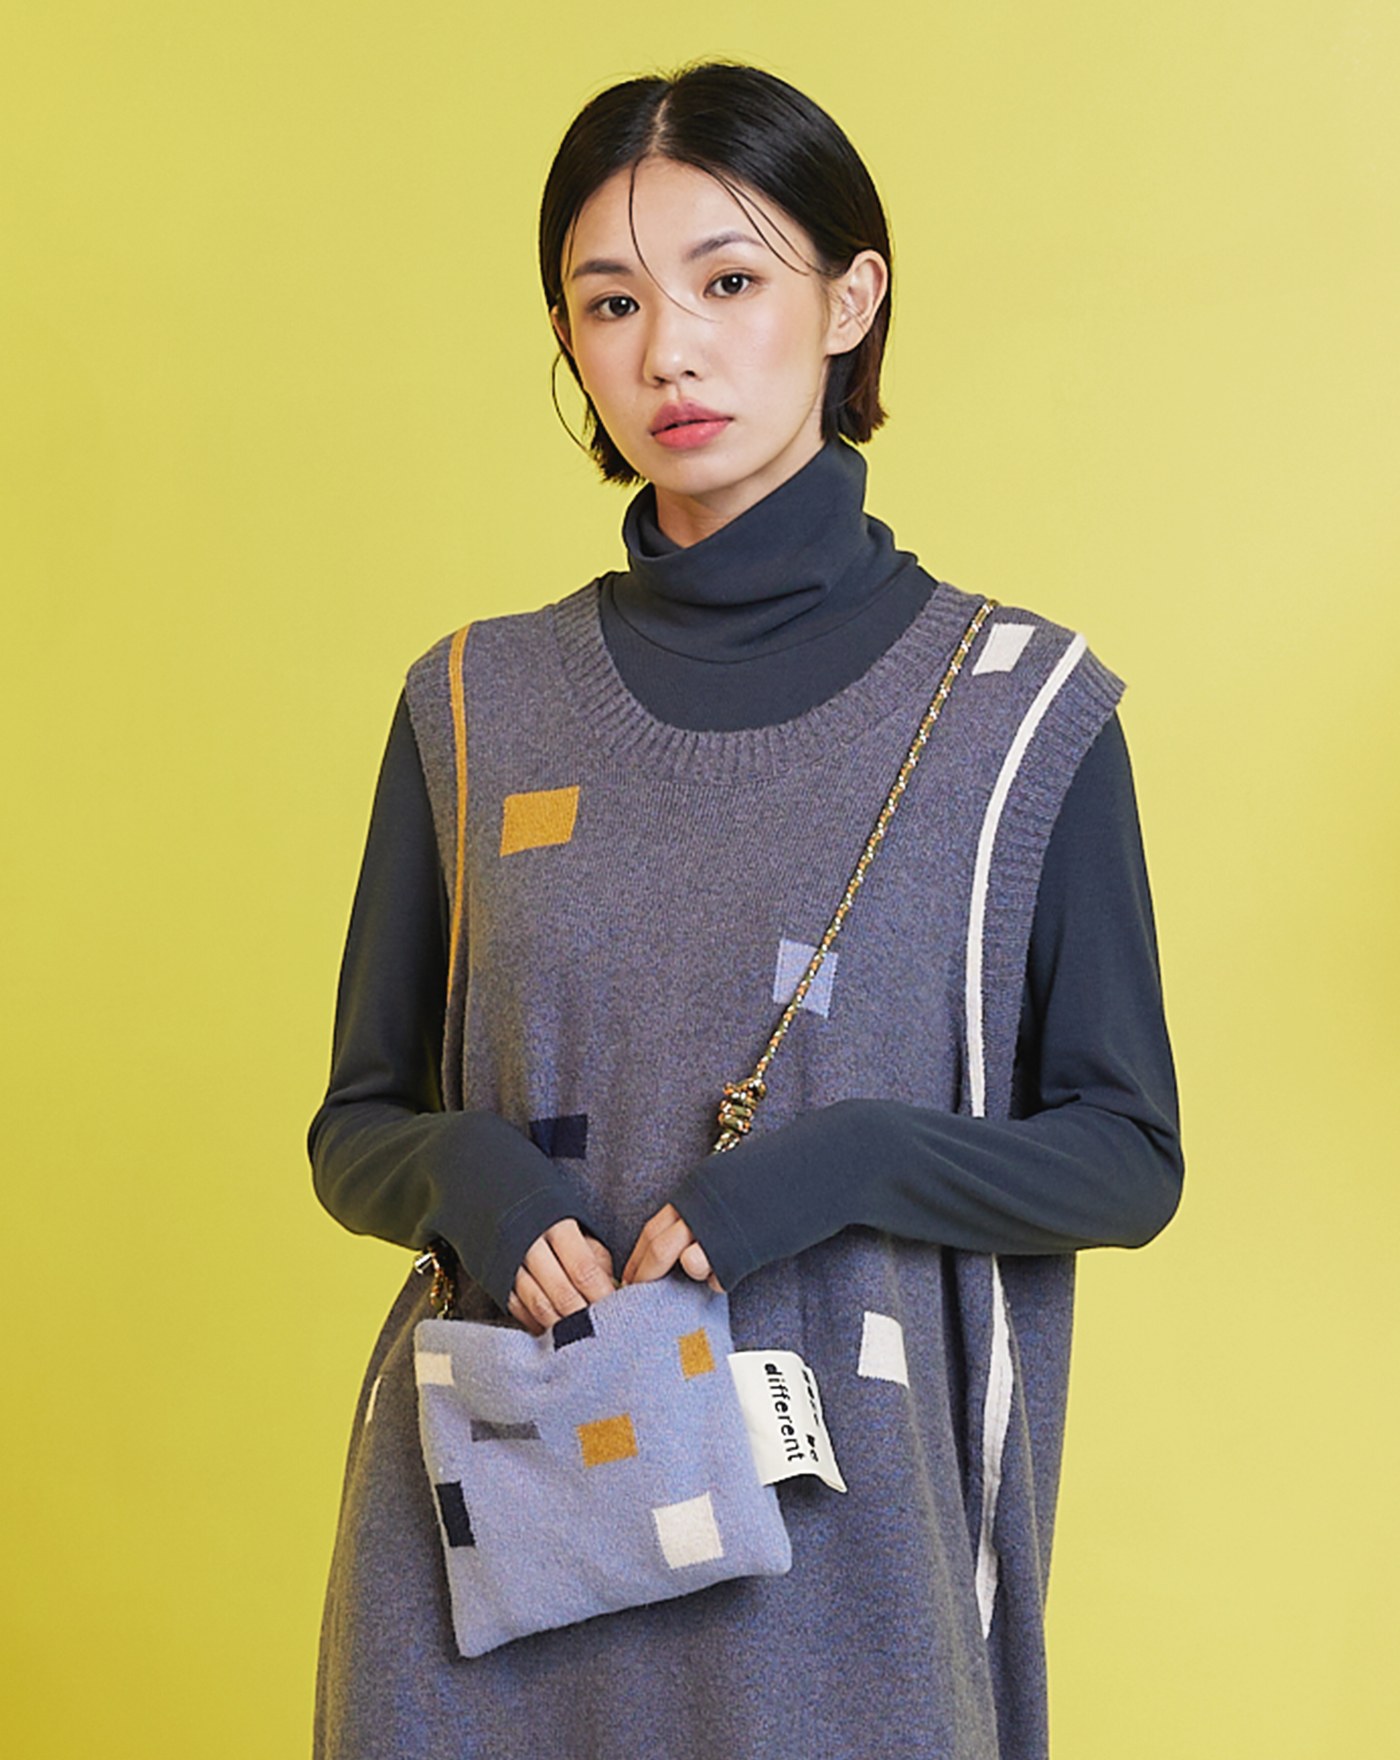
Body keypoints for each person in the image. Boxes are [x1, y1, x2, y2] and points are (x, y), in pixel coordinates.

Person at [307, 58, 1183, 1760]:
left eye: (729, 281)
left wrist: (839, 1163)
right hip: (488, 1559)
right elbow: (356, 1127)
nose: (670, 352)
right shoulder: (473, 707)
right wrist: (471, 1177)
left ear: (851, 302)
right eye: (611, 302)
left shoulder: (1018, 716)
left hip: (847, 1578)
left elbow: (1127, 1159)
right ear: (570, 342)